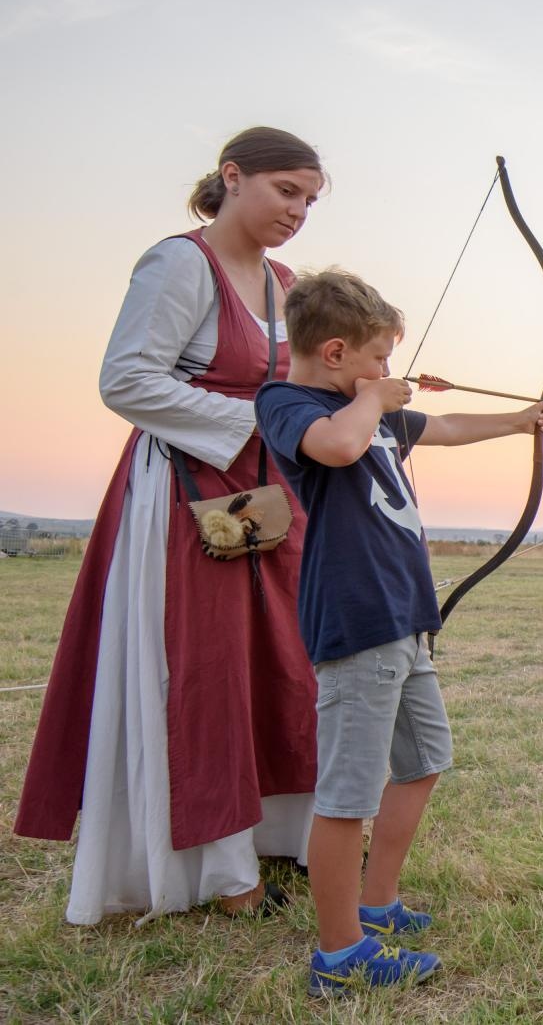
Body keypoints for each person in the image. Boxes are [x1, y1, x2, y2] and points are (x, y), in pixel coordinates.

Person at [14, 127, 326, 923]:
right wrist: (255, 420)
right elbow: (126, 379)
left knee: (278, 667)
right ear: (233, 176)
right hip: (183, 496)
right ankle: (217, 876)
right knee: (207, 670)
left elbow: (300, 382)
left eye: (310, 200)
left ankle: (271, 844)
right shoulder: (180, 262)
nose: (298, 210)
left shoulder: (286, 280)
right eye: (287, 190)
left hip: (264, 499)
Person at [253, 269, 543, 995]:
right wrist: (372, 396)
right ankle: (339, 955)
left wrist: (519, 421)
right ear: (333, 353)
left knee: (422, 760)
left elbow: (445, 428)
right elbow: (333, 449)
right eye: (379, 357)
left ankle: (376, 902)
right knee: (347, 793)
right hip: (358, 619)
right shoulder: (290, 403)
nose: (390, 372)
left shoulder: (372, 409)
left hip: (404, 617)